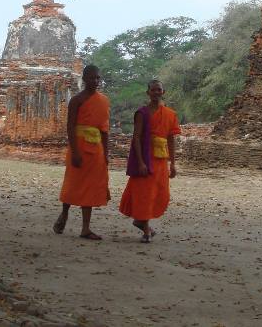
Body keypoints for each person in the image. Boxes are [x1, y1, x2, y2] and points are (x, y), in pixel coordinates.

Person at [53, 65, 110, 240]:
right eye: (92, 78)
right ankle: (64, 213)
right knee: (73, 182)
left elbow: (104, 130)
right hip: (78, 146)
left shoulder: (104, 101)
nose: (96, 81)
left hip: (96, 149)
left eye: (98, 78)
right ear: (84, 79)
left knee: (91, 186)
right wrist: (75, 151)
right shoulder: (76, 100)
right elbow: (70, 126)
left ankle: (85, 228)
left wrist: (106, 154)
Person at [119, 79, 180, 243]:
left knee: (159, 193)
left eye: (159, 90)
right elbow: (137, 138)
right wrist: (140, 162)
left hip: (161, 161)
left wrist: (173, 163)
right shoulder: (142, 113)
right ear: (148, 92)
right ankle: (146, 230)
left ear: (163, 92)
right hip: (146, 158)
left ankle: (141, 222)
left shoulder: (170, 114)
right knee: (144, 194)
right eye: (153, 90)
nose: (156, 92)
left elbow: (171, 140)